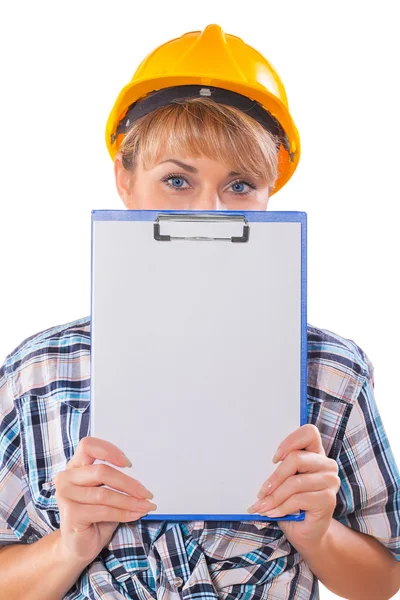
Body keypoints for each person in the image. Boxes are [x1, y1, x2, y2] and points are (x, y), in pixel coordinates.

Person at [0, 23, 399, 600]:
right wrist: (69, 546)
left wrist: (318, 534)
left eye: (239, 185)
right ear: (125, 179)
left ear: (268, 197)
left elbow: (382, 580)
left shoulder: (331, 369)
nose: (207, 212)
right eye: (177, 179)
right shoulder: (38, 372)